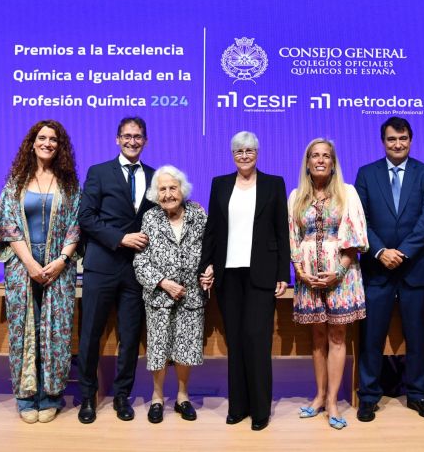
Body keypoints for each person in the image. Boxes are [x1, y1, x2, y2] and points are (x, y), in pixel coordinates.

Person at [0, 120, 81, 424]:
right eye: (42, 138)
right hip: (21, 268)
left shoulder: (70, 184)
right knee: (25, 331)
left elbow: (76, 227)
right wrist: (29, 262)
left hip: (59, 270)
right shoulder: (15, 183)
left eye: (53, 139)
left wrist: (62, 260)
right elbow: (6, 225)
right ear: (32, 143)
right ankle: (26, 396)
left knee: (55, 332)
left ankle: (51, 396)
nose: (47, 143)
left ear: (60, 146)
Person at [198, 131, 289, 431]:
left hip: (261, 273)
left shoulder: (274, 184)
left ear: (257, 153)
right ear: (232, 155)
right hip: (228, 275)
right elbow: (212, 229)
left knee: (257, 339)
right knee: (235, 341)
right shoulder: (220, 184)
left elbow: (281, 231)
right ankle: (238, 407)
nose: (244, 155)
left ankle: (260, 409)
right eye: (239, 151)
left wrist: (282, 273)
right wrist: (206, 265)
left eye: (249, 150)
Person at [354, 116, 424, 422]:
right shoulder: (366, 174)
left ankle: (418, 394)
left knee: (417, 337)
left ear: (411, 140)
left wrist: (402, 253)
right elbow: (361, 219)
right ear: (383, 142)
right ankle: (368, 396)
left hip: (414, 268)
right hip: (377, 269)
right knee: (371, 337)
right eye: (392, 139)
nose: (398, 144)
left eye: (403, 138)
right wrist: (380, 252)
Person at [77, 116, 155, 423]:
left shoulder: (154, 175)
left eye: (137, 136)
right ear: (117, 139)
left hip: (136, 269)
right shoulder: (98, 172)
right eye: (127, 136)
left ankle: (122, 395)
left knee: (130, 336)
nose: (132, 141)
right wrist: (120, 238)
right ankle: (87, 396)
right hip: (101, 265)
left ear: (145, 141)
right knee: (90, 334)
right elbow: (86, 217)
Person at [288, 138, 369, 430]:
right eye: (315, 155)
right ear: (307, 162)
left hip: (341, 276)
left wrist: (339, 270)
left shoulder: (348, 193)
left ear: (333, 163)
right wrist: (300, 271)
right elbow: (293, 237)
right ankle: (319, 396)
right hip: (308, 277)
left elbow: (356, 238)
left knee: (337, 336)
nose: (320, 160)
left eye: (326, 156)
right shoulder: (296, 196)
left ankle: (333, 401)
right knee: (317, 336)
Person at [133, 166, 208, 424]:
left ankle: (182, 397)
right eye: (162, 189)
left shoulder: (198, 214)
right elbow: (140, 261)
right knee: (158, 349)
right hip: (159, 297)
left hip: (191, 295)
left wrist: (210, 269)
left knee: (186, 348)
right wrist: (164, 283)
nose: (167, 194)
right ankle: (157, 398)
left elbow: (210, 249)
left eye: (172, 188)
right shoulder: (150, 218)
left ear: (182, 190)